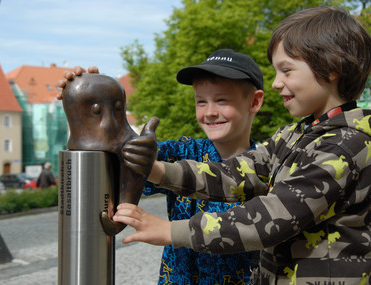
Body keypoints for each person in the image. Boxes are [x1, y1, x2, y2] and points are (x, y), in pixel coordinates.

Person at [114, 6, 371, 284]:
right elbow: (237, 173)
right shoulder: (295, 135)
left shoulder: (345, 144)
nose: (276, 83)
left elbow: (274, 217)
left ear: (331, 68)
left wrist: (170, 231)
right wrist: (158, 171)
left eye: (286, 70)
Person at [57, 49, 265, 284]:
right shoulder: (182, 153)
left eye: (222, 100)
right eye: (201, 102)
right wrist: (92, 92)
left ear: (254, 102)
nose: (210, 112)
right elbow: (115, 156)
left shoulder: (269, 170)